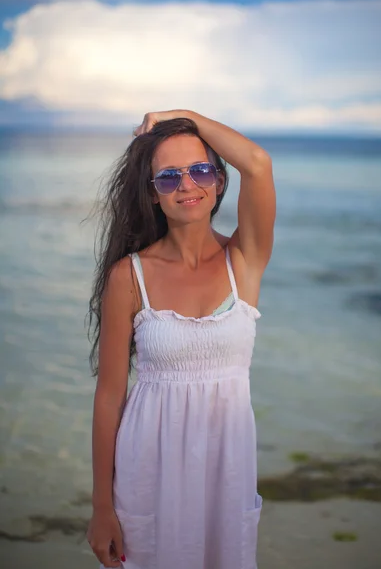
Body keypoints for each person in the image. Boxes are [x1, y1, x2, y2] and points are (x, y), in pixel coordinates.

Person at [86, 110, 276, 569]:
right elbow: (110, 396)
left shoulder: (243, 261)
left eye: (200, 170)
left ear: (217, 180)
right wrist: (101, 508)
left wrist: (185, 117)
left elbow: (257, 163)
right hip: (148, 468)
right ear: (153, 194)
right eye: (168, 177)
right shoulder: (128, 277)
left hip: (226, 473)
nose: (187, 186)